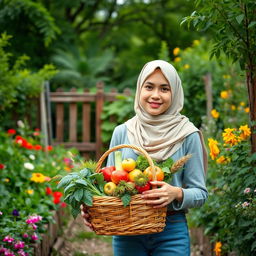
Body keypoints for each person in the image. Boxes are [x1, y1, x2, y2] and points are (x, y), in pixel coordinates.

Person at [81, 60, 208, 256]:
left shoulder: (187, 135)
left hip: (171, 229)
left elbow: (200, 194)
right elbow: (108, 187)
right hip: (127, 231)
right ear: (140, 89)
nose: (155, 95)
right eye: (149, 87)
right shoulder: (122, 132)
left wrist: (176, 193)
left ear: (174, 93)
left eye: (164, 89)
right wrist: (91, 206)